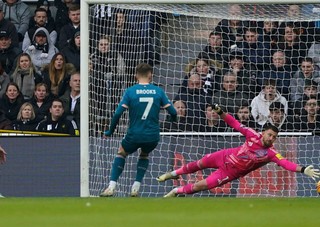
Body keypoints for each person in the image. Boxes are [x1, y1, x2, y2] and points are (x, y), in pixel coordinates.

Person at [157, 103, 320, 197]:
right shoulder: (252, 134)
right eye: (270, 135)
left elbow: (285, 163)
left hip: (230, 172)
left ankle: (176, 190)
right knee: (197, 164)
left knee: (201, 186)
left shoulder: (270, 153)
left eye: (274, 137)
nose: (271, 139)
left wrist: (303, 169)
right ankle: (172, 174)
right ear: (264, 133)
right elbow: (234, 123)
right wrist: (220, 112)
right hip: (224, 156)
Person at [100, 63, 177, 197]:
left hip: (134, 134)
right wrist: (172, 121)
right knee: (144, 154)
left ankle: (111, 187)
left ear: (136, 75)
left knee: (121, 153)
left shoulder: (130, 91)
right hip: (152, 136)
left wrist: (110, 131)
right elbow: (173, 112)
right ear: (150, 75)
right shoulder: (158, 91)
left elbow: (118, 114)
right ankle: (136, 187)